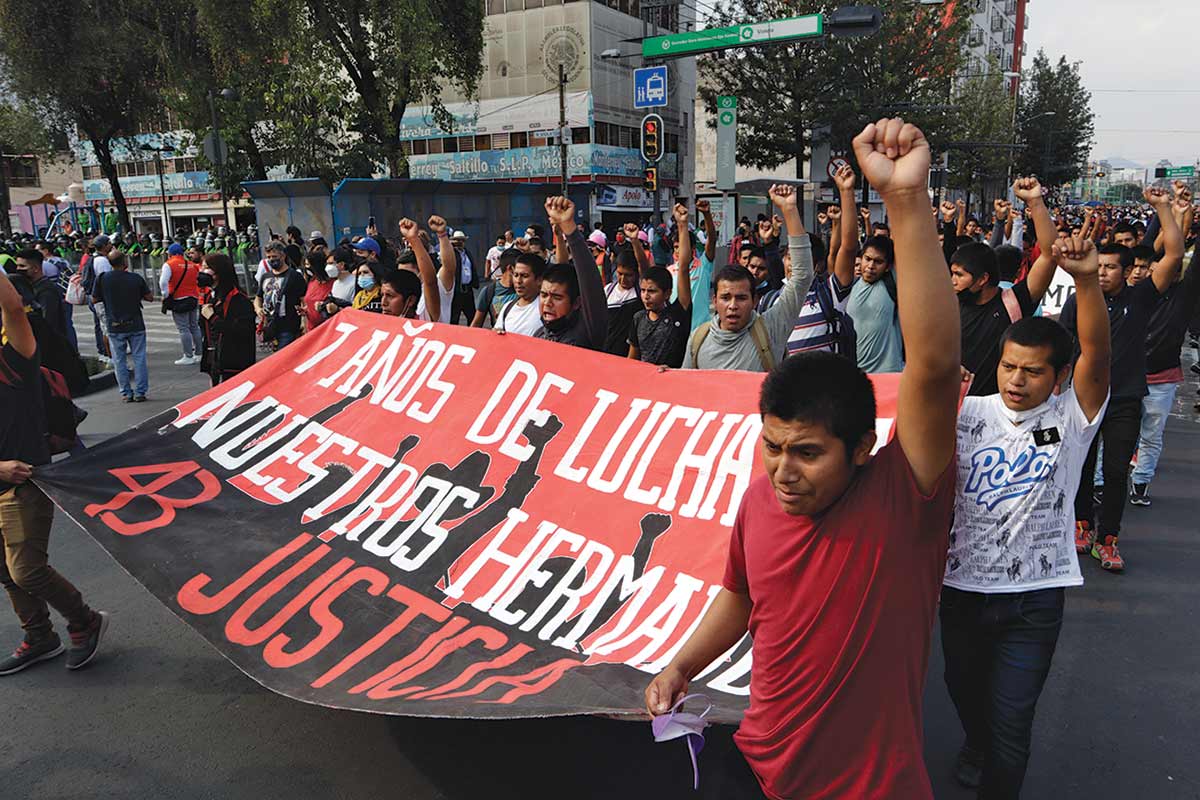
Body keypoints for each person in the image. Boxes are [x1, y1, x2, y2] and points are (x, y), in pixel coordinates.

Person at [646, 118, 962, 799]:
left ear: (863, 448)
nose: (783, 470)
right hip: (756, 766)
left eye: (808, 454)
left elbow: (934, 368)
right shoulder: (762, 498)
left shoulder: (904, 498)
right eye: (772, 447)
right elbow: (739, 594)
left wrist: (906, 201)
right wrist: (682, 667)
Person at [942, 234, 1111, 798]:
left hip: (1036, 601)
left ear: (1058, 378)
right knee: (963, 692)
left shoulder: (1073, 413)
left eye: (1032, 372)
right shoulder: (966, 412)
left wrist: (1086, 280)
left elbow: (1098, 354)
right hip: (961, 591)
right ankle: (974, 741)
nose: (1016, 380)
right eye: (1010, 367)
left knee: (1013, 721)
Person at [1064, 187, 1183, 570]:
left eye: (1111, 267)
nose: (1102, 272)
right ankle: (1081, 525)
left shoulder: (1141, 296)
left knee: (1115, 471)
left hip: (1126, 399)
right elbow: (1063, 346)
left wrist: (1163, 208)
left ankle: (1108, 539)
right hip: (1082, 399)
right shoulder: (1079, 299)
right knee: (1080, 466)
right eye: (1098, 266)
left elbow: (1175, 254)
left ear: (1127, 270)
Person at [0, 267, 109, 675]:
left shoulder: (15, 359)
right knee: (5, 572)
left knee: (26, 569)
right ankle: (40, 636)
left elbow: (12, 305)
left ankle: (84, 620)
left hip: (23, 481)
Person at [683, 184, 812, 372]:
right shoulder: (698, 339)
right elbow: (685, 389)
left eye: (741, 298)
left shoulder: (771, 328)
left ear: (755, 301)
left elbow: (802, 277)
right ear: (715, 300)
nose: (733, 306)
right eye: (725, 298)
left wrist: (789, 210)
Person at [955, 177, 1059, 396]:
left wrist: (1035, 201)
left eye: (958, 274)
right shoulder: (948, 307)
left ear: (982, 279)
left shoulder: (1014, 302)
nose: (952, 280)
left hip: (1001, 415)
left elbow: (1050, 255)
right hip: (951, 413)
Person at [1128, 205, 1200, 505]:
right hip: (1125, 379)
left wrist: (1181, 214)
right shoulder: (1134, 294)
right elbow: (1152, 245)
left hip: (1162, 380)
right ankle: (1101, 483)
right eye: (1149, 269)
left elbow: (1189, 258)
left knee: (1151, 436)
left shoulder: (1183, 297)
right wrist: (1166, 212)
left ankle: (1141, 482)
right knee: (1117, 436)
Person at [531, 197, 606, 349]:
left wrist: (570, 229)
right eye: (544, 295)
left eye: (557, 297)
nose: (548, 303)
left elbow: (590, 283)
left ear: (577, 303)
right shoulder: (539, 335)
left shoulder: (587, 332)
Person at [627, 203, 693, 367]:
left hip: (674, 385)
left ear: (667, 293)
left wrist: (682, 224)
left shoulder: (678, 313)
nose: (646, 296)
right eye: (643, 291)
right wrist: (635, 241)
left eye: (652, 291)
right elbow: (632, 360)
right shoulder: (638, 318)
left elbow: (683, 267)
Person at [92, 249, 152, 402]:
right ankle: (140, 392)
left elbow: (94, 299)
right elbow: (149, 297)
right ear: (124, 262)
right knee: (139, 358)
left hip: (114, 324)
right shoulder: (135, 278)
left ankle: (126, 393)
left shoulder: (102, 278)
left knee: (119, 360)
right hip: (136, 324)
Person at [199, 253, 256, 387]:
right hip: (215, 361)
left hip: (234, 363)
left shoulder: (238, 299)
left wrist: (213, 317)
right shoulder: (210, 295)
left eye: (206, 267)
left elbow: (241, 330)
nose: (202, 271)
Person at [158, 243, 204, 366]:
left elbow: (163, 281)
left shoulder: (169, 264)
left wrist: (165, 294)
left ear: (170, 253)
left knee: (183, 328)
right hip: (193, 297)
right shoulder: (191, 265)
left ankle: (188, 355)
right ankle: (199, 353)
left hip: (179, 299)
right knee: (194, 326)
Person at [254, 241, 305, 348]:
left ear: (283, 256)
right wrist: (258, 309)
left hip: (288, 327)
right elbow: (258, 297)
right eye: (269, 257)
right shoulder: (265, 277)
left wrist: (304, 323)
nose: (271, 259)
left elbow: (304, 300)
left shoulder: (295, 276)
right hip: (269, 326)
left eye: (274, 256)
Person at [496, 252, 546, 337]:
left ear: (539, 280)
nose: (518, 281)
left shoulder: (547, 308)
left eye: (525, 276)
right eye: (516, 275)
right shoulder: (507, 308)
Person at [471, 248, 518, 327]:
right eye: (519, 268)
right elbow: (476, 323)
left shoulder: (526, 291)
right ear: (510, 268)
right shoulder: (489, 291)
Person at [448, 229, 478, 324]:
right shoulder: (450, 253)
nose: (459, 242)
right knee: (454, 317)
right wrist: (449, 245)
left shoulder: (467, 253)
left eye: (461, 240)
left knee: (472, 316)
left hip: (467, 290)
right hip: (456, 290)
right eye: (457, 240)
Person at [301, 251, 333, 332]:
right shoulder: (312, 281)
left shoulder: (333, 283)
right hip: (311, 329)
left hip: (327, 329)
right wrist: (305, 310)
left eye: (308, 265)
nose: (306, 268)